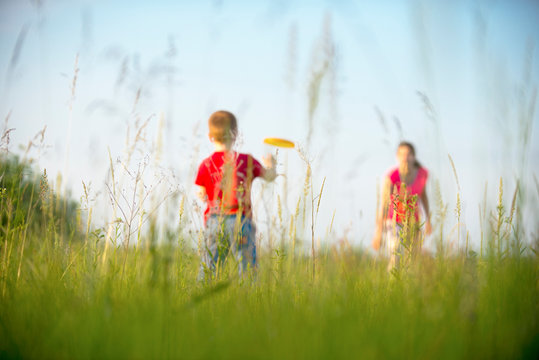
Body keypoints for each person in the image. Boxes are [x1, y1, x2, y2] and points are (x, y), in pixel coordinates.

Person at [195, 110, 276, 281]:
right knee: (247, 267)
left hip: (214, 221)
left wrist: (205, 195)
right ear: (236, 134)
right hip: (240, 220)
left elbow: (201, 193)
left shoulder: (206, 164)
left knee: (210, 265)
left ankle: (201, 300)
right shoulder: (246, 160)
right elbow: (269, 177)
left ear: (210, 136)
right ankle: (248, 301)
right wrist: (271, 165)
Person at [372, 141, 432, 271]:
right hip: (394, 223)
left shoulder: (422, 174)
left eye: (409, 154)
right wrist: (378, 233)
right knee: (396, 257)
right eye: (402, 154)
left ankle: (408, 289)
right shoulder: (391, 177)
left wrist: (428, 220)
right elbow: (384, 204)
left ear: (414, 156)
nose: (405, 157)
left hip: (413, 222)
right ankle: (391, 288)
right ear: (397, 157)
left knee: (413, 262)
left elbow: (424, 197)